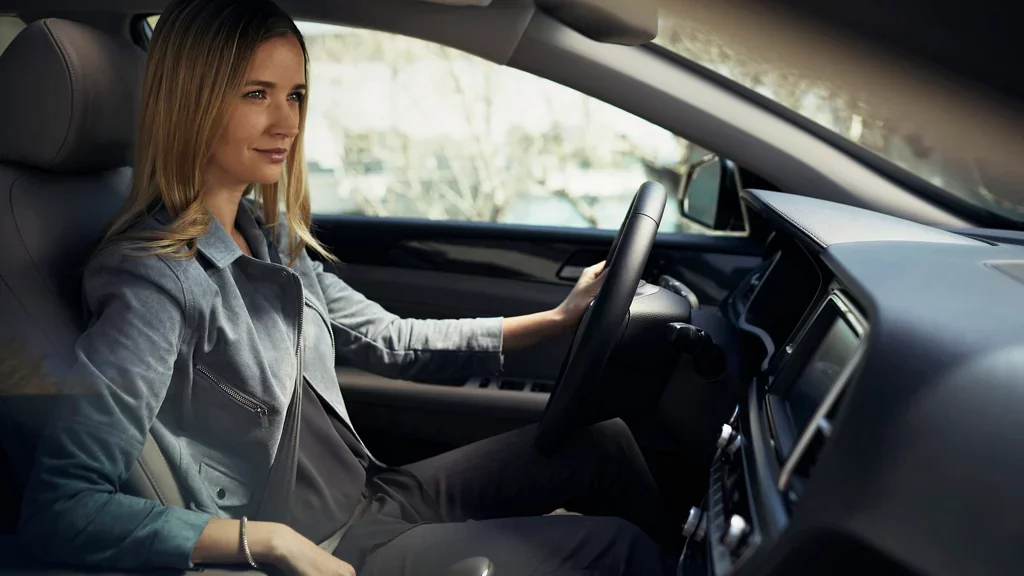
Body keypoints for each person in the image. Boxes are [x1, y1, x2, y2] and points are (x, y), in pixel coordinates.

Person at [16, 1, 676, 574]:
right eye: (256, 94)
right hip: (327, 547)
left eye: (295, 95)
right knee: (617, 549)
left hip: (375, 494)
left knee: (604, 446)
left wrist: (556, 320)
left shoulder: (269, 239)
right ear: (192, 101)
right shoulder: (154, 278)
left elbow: (387, 337)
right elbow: (64, 507)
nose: (286, 123)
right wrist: (265, 541)